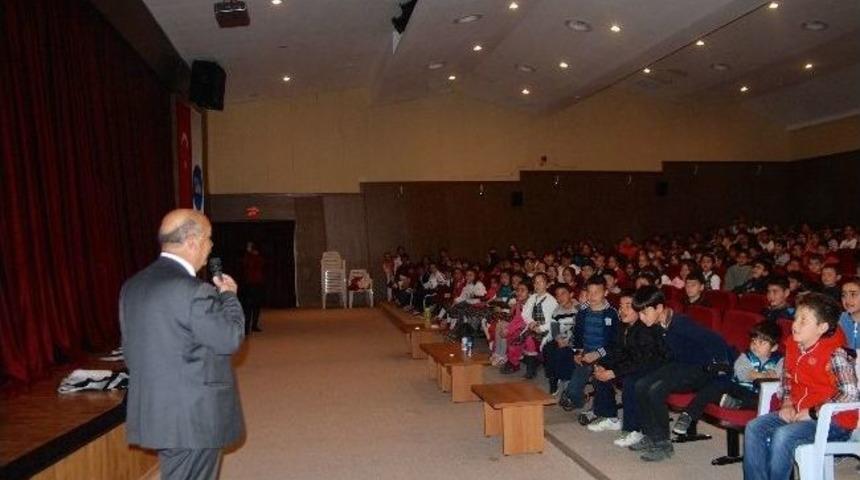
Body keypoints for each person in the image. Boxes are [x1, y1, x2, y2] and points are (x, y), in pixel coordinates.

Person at [120, 209, 245, 480]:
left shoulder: (133, 285)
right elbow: (230, 338)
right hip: (193, 417)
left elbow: (130, 352)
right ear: (192, 242)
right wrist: (229, 298)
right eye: (209, 239)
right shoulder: (194, 291)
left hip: (159, 412)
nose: (211, 246)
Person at [743, 293, 857, 480]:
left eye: (804, 321)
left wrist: (813, 412)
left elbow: (850, 394)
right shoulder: (794, 344)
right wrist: (787, 402)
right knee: (754, 427)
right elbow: (787, 376)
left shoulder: (836, 353)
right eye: (796, 318)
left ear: (822, 327)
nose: (795, 325)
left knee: (783, 436)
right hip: (797, 410)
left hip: (834, 422)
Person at [629, 286, 735, 462]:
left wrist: (722, 368)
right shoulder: (657, 325)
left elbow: (714, 340)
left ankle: (664, 444)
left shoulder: (681, 324)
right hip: (680, 365)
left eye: (644, 312)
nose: (641, 317)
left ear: (659, 308)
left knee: (656, 391)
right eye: (639, 313)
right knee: (640, 385)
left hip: (700, 370)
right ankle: (651, 435)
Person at [672, 321, 783, 436]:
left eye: (762, 343)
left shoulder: (779, 360)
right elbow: (743, 373)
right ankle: (688, 415)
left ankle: (736, 404)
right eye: (753, 341)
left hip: (757, 394)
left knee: (765, 402)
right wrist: (763, 375)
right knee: (715, 386)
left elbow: (780, 378)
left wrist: (774, 376)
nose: (755, 346)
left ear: (774, 347)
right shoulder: (746, 356)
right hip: (737, 387)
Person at [241, 241, 265, 333]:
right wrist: (251, 255)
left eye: (250, 246)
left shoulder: (258, 256)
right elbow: (247, 265)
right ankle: (246, 327)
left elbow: (261, 264)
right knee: (248, 307)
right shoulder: (247, 257)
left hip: (257, 283)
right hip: (249, 284)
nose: (248, 248)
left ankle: (254, 325)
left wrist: (255, 256)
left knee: (256, 305)